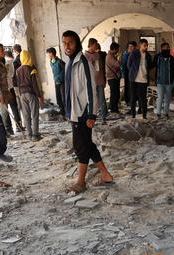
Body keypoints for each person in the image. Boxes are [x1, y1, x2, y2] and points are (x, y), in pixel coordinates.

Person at [61, 30, 113, 193]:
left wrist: (92, 115)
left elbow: (91, 89)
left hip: (83, 113)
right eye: (64, 43)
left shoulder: (83, 62)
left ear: (77, 43)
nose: (67, 46)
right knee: (87, 144)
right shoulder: (70, 62)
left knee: (80, 147)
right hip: (75, 112)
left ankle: (81, 182)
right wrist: (68, 112)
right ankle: (105, 174)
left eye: (70, 43)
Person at [15, 50, 43, 141]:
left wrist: (19, 94)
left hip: (22, 94)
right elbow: (35, 84)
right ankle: (35, 135)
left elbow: (18, 83)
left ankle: (29, 134)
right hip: (31, 93)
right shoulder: (31, 69)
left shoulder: (18, 70)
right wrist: (39, 95)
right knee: (34, 114)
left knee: (26, 115)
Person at [127, 38, 153, 119]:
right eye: (144, 46)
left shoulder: (148, 56)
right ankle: (133, 115)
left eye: (147, 46)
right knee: (133, 98)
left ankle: (144, 115)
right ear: (140, 46)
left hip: (143, 80)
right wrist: (133, 73)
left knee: (143, 98)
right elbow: (129, 65)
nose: (146, 47)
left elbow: (149, 66)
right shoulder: (134, 53)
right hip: (134, 79)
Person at [85, 39, 107, 122]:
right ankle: (90, 117)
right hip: (90, 82)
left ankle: (103, 117)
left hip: (100, 81)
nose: (96, 46)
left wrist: (104, 80)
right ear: (91, 45)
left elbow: (101, 68)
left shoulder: (98, 55)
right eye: (95, 45)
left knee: (102, 100)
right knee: (91, 101)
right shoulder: (85, 56)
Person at [153, 42, 174, 118]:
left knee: (167, 99)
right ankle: (158, 113)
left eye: (168, 47)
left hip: (169, 82)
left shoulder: (171, 58)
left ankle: (166, 113)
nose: (167, 49)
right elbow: (152, 65)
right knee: (160, 98)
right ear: (161, 49)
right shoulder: (158, 58)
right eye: (165, 48)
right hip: (160, 82)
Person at [5, 50, 24, 132]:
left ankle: (9, 129)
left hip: (3, 89)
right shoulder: (12, 62)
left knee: (5, 109)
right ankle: (18, 125)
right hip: (11, 86)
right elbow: (12, 74)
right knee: (14, 107)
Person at [46, 47, 66, 116]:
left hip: (62, 82)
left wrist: (61, 77)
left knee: (64, 99)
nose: (47, 55)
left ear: (51, 53)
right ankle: (63, 113)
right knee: (59, 99)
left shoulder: (60, 62)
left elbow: (66, 71)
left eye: (48, 54)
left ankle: (67, 113)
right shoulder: (51, 62)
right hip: (56, 82)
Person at [105, 42, 121, 114]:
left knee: (115, 93)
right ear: (114, 49)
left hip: (113, 77)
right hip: (112, 78)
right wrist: (120, 57)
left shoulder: (111, 55)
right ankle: (114, 109)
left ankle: (113, 108)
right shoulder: (110, 56)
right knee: (115, 94)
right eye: (117, 49)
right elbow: (117, 64)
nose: (118, 50)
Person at [121, 41, 136, 107]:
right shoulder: (126, 54)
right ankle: (128, 101)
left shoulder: (134, 54)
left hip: (132, 74)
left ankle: (131, 101)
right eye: (130, 46)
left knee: (131, 88)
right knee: (128, 88)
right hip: (127, 74)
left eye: (132, 47)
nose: (131, 48)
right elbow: (125, 65)